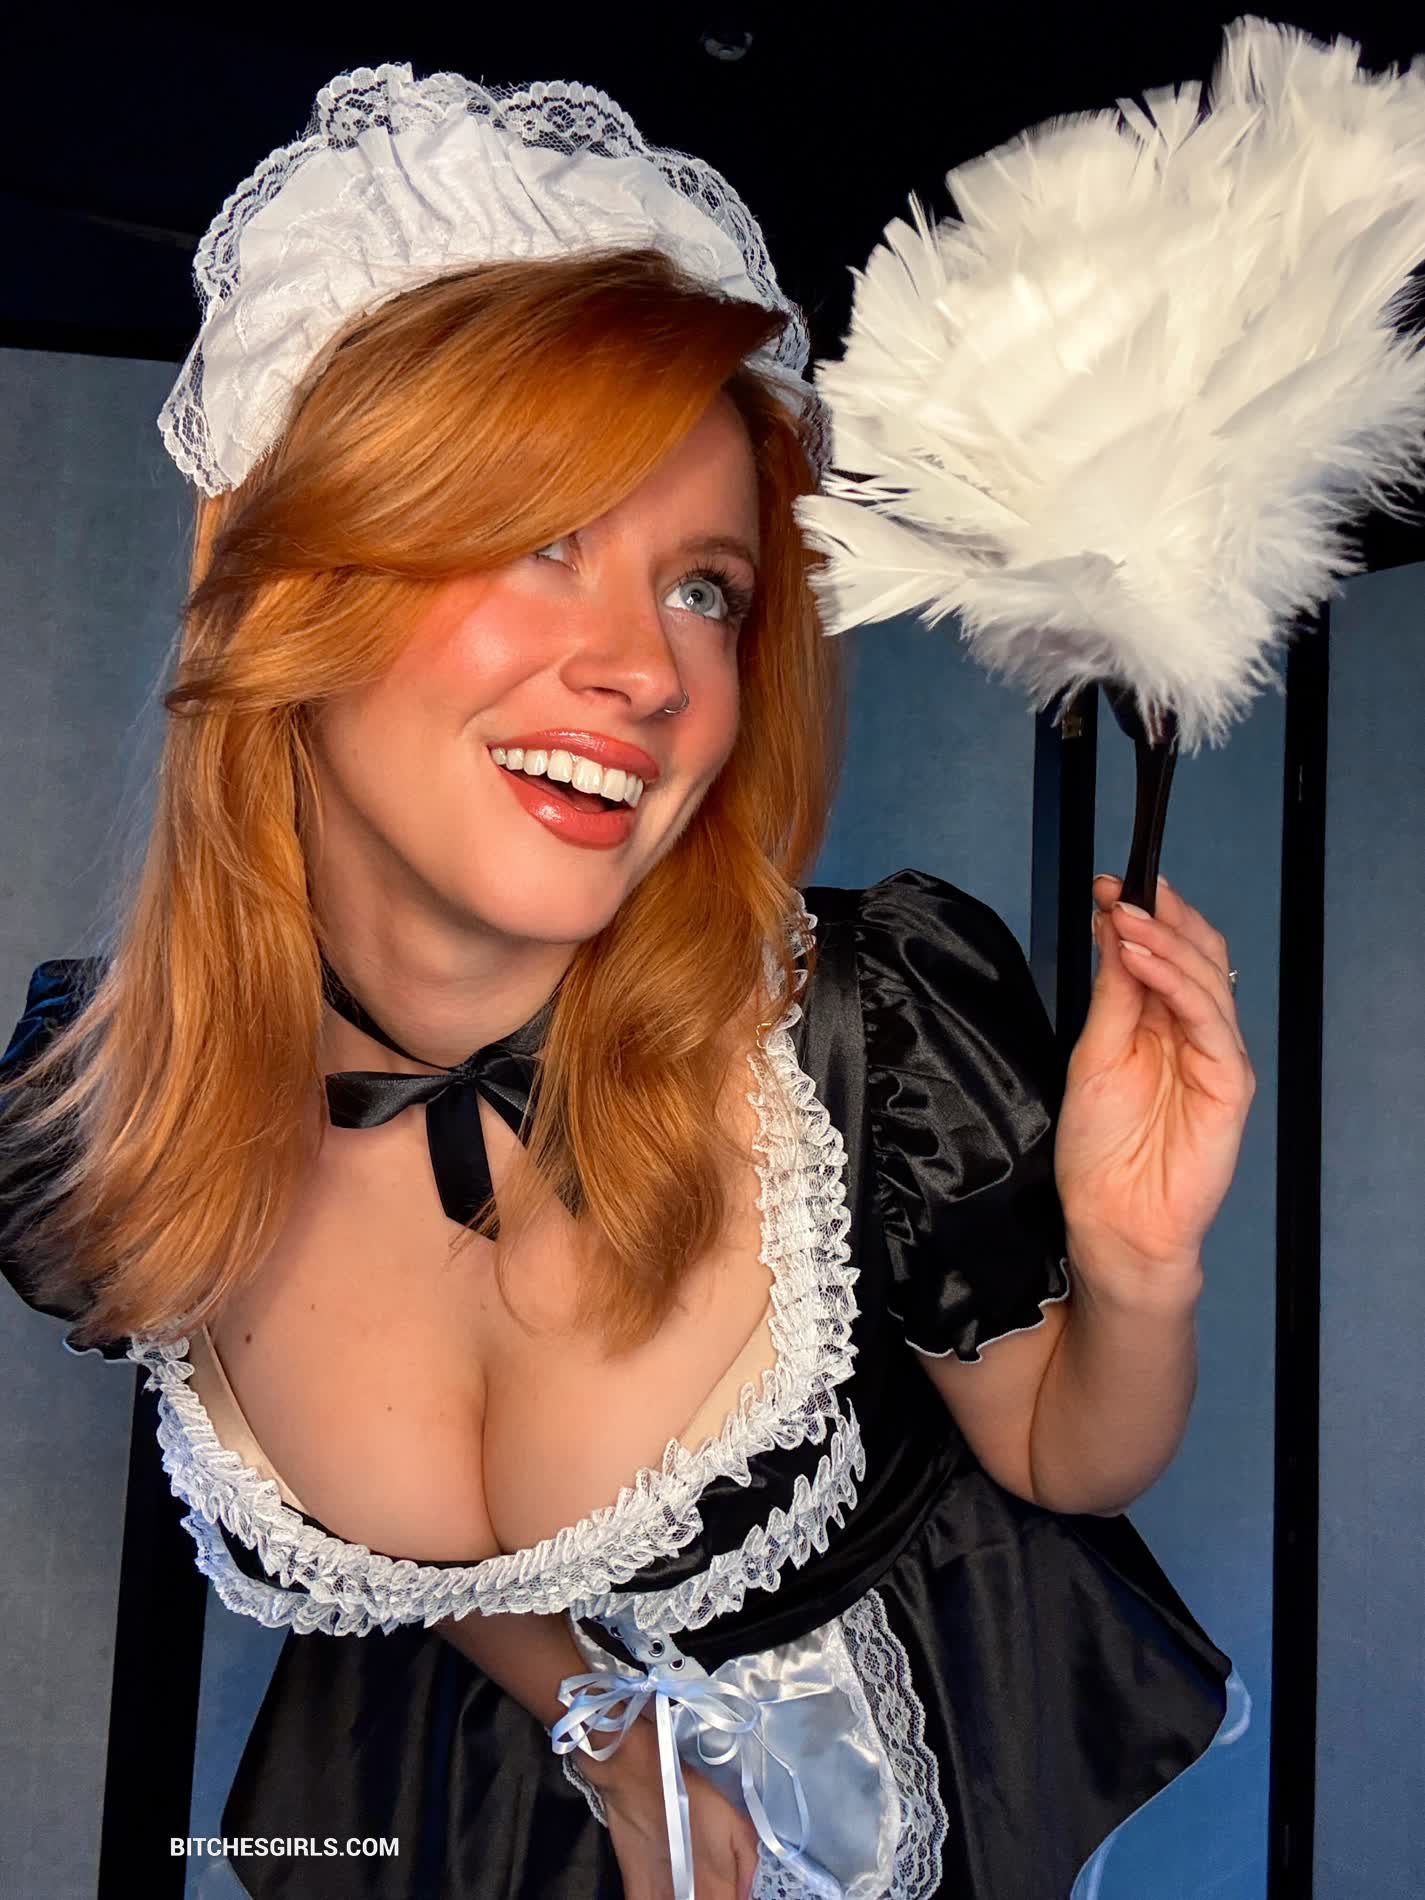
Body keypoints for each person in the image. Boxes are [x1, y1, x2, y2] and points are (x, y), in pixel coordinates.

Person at [0, 65, 1254, 1900]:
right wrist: (596, 1725)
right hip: (469, 1802)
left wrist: (1139, 1263)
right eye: (541, 537)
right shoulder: (103, 1112)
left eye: (703, 589)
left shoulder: (861, 1038)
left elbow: (1067, 1462)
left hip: (897, 1792)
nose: (646, 672)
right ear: (287, 592)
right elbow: (439, 1551)